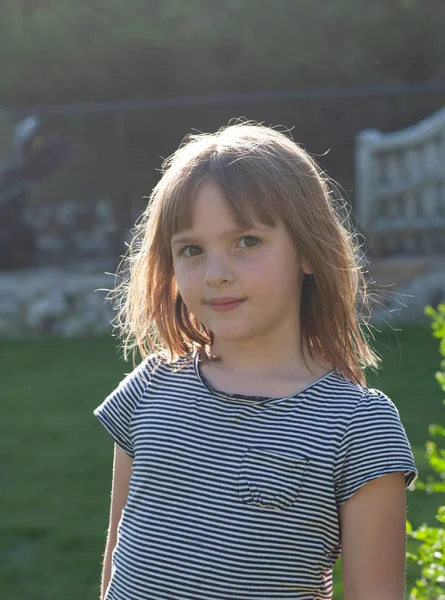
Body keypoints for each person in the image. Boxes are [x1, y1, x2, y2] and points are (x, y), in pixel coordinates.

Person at [94, 121, 418, 600]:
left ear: (308, 250)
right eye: (192, 250)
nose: (217, 274)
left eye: (246, 241)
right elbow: (117, 562)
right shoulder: (151, 388)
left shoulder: (357, 426)